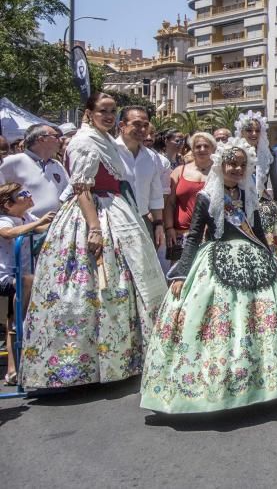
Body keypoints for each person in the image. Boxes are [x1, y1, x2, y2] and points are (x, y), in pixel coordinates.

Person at [21, 92, 167, 389]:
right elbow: (83, 189)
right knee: (91, 287)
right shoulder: (85, 141)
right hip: (93, 214)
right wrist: (94, 228)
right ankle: (82, 363)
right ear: (88, 112)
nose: (109, 116)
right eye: (103, 110)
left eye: (113, 111)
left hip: (116, 210)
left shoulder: (104, 140)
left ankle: (120, 357)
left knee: (124, 285)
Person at [141, 139, 277, 413]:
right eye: (231, 164)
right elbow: (193, 237)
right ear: (220, 165)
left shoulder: (249, 196)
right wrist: (181, 274)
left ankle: (260, 382)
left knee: (258, 322)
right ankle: (216, 384)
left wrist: (274, 264)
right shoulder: (206, 196)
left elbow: (259, 235)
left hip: (254, 263)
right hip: (215, 261)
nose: (236, 169)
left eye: (241, 164)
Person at [0, 183, 54, 384]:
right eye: (22, 194)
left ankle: (17, 368)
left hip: (23, 279)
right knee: (27, 283)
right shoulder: (5, 220)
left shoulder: (26, 218)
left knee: (18, 314)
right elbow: (8, 233)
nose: (29, 195)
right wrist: (38, 222)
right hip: (6, 278)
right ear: (8, 204)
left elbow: (42, 227)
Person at [235, 111, 277, 265]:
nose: (254, 133)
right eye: (249, 130)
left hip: (265, 211)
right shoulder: (232, 153)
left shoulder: (268, 154)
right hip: (237, 209)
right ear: (241, 131)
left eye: (257, 130)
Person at [115, 106, 166, 250]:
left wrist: (158, 224)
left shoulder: (151, 157)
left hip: (143, 223)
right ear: (122, 126)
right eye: (137, 124)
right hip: (115, 223)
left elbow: (155, 194)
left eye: (145, 125)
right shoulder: (109, 152)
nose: (142, 130)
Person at [163, 132, 215, 267]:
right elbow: (170, 203)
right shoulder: (179, 171)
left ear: (213, 149)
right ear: (192, 149)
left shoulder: (219, 172)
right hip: (180, 235)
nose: (202, 149)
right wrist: (169, 228)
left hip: (209, 235)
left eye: (206, 146)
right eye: (198, 146)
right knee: (177, 280)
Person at [0, 123, 69, 217]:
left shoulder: (57, 165)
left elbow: (67, 191)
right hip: (27, 228)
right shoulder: (14, 161)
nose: (60, 140)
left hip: (53, 226)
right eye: (55, 136)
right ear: (41, 139)